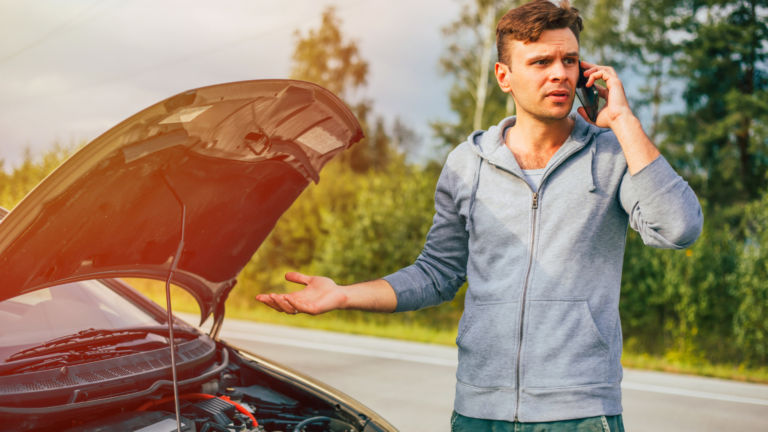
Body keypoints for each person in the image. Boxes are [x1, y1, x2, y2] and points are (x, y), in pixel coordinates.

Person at [256, 0, 703, 430]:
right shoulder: (466, 164)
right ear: (504, 77)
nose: (560, 74)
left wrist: (623, 121)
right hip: (479, 410)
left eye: (570, 61)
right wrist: (344, 295)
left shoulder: (612, 154)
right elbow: (437, 274)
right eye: (541, 62)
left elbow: (678, 228)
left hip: (579, 412)